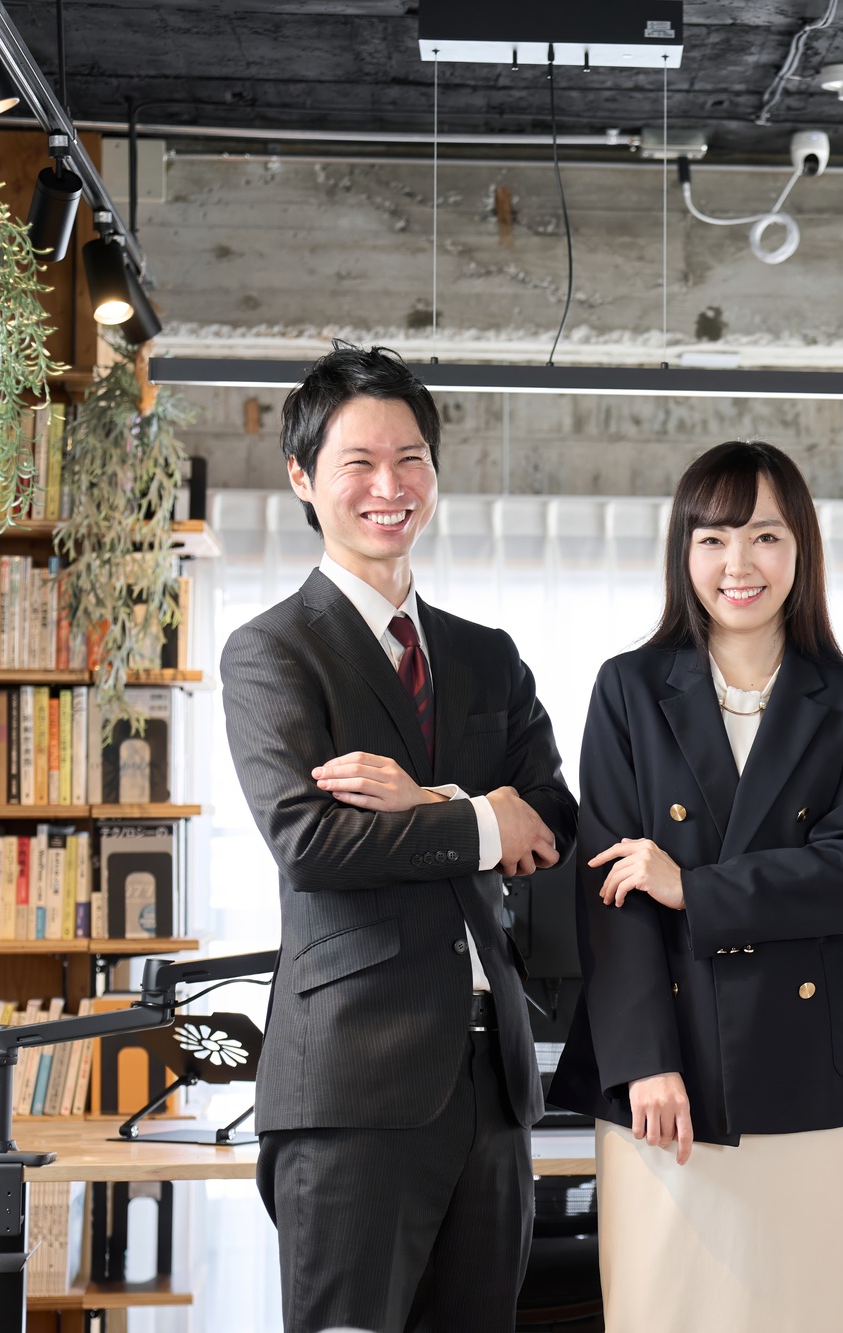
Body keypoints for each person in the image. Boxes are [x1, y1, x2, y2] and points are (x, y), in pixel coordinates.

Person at [222, 344, 577, 1333]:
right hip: (351, 1085)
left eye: (410, 458)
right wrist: (476, 817)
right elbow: (309, 841)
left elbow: (549, 822)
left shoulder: (483, 656)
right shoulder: (273, 650)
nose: (390, 487)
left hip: (491, 1089)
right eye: (358, 464)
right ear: (303, 477)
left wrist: (431, 799)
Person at [547, 441, 843, 1333]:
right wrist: (644, 1062)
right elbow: (609, 893)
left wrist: (691, 886)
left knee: (805, 1312)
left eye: (765, 536)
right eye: (713, 538)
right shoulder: (628, 689)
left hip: (803, 1078)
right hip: (668, 1077)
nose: (738, 564)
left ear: (801, 550)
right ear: (684, 552)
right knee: (666, 1310)